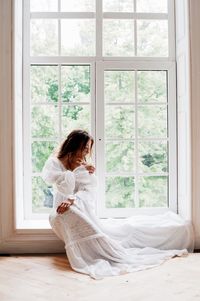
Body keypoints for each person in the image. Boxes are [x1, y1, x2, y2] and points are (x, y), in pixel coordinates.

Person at [42, 129, 192, 280]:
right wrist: (78, 171)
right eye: (85, 148)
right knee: (76, 214)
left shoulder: (84, 164)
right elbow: (65, 187)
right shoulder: (55, 162)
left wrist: (74, 196)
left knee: (125, 231)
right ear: (74, 145)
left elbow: (88, 191)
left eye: (88, 149)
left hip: (80, 207)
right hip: (62, 208)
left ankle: (174, 232)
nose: (87, 152)